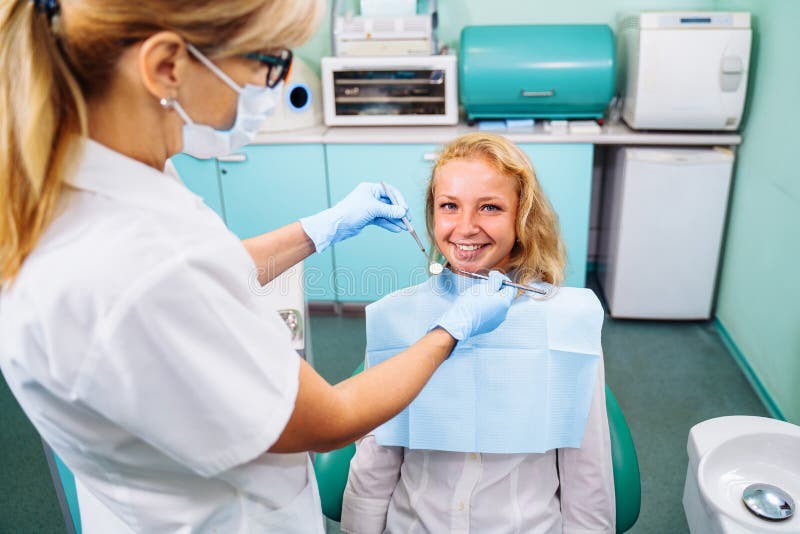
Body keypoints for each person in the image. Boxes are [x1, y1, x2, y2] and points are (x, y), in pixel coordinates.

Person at [0, 2, 516, 532]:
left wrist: (324, 227)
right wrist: (451, 331)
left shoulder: (115, 171)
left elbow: (212, 277)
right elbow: (331, 419)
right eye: (268, 62)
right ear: (166, 66)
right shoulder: (132, 262)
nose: (272, 88)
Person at [341, 133, 616, 534]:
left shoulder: (562, 324)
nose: (466, 227)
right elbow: (376, 458)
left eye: (490, 207)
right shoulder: (399, 318)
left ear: (522, 219)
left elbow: (586, 470)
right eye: (449, 206)